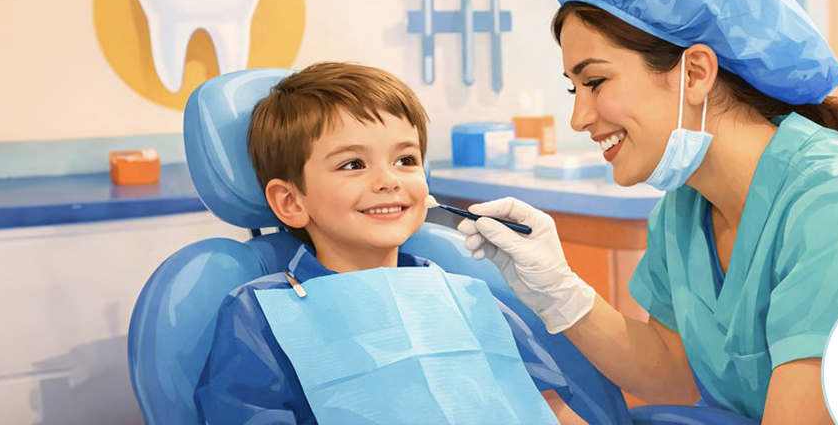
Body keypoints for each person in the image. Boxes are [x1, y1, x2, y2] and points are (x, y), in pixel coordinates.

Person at [457, 0, 838, 424]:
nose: (580, 117)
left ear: (696, 73)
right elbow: (674, 372)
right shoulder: (685, 208)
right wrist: (559, 292)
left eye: (595, 81)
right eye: (575, 89)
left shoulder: (836, 202)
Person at [193, 62, 578, 424]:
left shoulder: (466, 296)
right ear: (291, 202)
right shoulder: (261, 316)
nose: (389, 180)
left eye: (406, 160)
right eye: (352, 165)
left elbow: (551, 411)